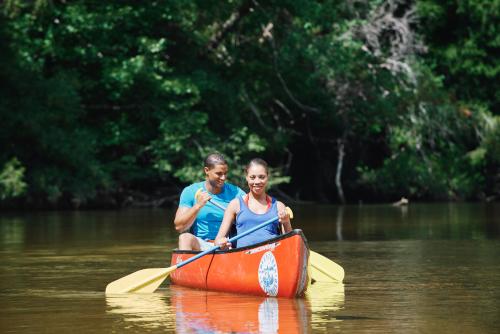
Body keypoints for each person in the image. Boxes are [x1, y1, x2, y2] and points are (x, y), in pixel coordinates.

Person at [214, 158, 292, 249]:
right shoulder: (235, 204)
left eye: (261, 177)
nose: (257, 181)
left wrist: (286, 222)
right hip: (243, 257)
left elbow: (290, 243)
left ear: (267, 177)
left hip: (271, 257)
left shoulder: (279, 206)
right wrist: (221, 243)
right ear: (246, 177)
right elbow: (218, 240)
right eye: (252, 177)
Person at [174, 153, 245, 250]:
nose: (223, 178)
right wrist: (198, 206)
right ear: (207, 170)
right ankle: (186, 264)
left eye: (225, 173)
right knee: (184, 238)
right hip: (201, 245)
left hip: (226, 244)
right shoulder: (190, 191)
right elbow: (179, 227)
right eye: (219, 174)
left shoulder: (236, 193)